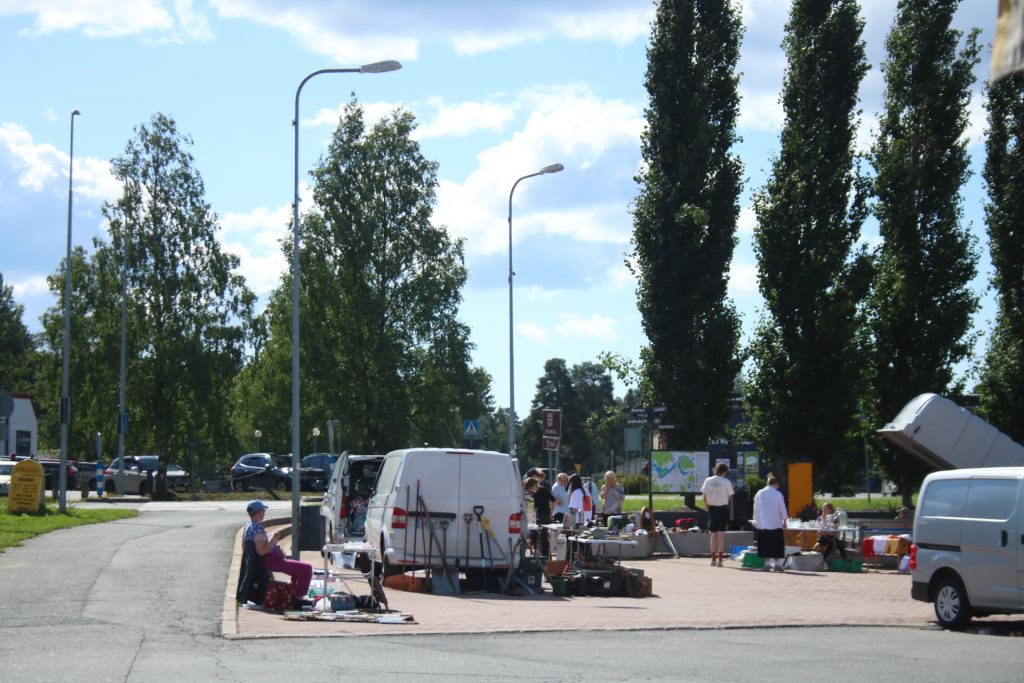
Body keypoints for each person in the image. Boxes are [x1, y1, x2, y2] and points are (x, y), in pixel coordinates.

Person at [243, 500, 313, 605]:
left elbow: (246, 546)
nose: (264, 513)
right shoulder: (256, 528)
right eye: (263, 511)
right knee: (306, 568)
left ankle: (294, 595)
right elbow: (261, 551)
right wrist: (274, 539)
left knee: (298, 570)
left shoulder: (249, 526)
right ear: (258, 513)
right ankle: (298, 598)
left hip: (270, 559)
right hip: (270, 561)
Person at [752, 473, 788, 572]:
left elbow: (756, 507)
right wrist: (785, 521)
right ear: (776, 484)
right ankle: (777, 564)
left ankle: (766, 563)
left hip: (763, 524)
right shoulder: (778, 494)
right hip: (776, 523)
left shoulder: (760, 493)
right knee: (777, 544)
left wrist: (756, 520)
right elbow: (782, 508)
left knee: (764, 544)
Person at [701, 462, 734, 567]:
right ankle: (720, 560)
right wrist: (724, 502)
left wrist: (707, 506)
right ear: (724, 472)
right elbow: (729, 496)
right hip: (723, 508)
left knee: (713, 533)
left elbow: (704, 496)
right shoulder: (726, 481)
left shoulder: (708, 480)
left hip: (712, 508)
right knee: (721, 534)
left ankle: (713, 559)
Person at [527, 467, 555, 556]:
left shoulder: (544, 490)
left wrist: (551, 513)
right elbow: (535, 506)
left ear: (534, 485)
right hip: (538, 515)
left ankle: (546, 555)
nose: (531, 491)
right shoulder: (535, 494)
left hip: (545, 515)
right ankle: (537, 553)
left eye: (531, 489)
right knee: (534, 534)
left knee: (544, 536)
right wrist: (532, 516)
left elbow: (554, 500)